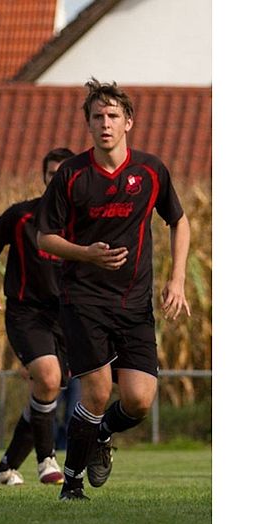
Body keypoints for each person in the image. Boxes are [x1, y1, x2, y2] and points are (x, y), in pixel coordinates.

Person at [35, 78, 190, 501]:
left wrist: (176, 279)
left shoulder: (150, 170)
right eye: (97, 117)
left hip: (135, 304)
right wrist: (86, 254)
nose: (105, 123)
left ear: (129, 123)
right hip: (83, 300)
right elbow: (44, 238)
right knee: (99, 391)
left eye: (112, 116)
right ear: (88, 124)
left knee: (139, 401)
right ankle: (72, 482)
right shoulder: (71, 175)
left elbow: (179, 220)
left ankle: (101, 433)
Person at [0, 147, 75, 486]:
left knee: (47, 391)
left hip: (67, 317)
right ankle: (47, 461)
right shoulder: (22, 216)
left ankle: (6, 467)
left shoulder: (84, 222)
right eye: (51, 174)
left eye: (62, 174)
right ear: (44, 177)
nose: (56, 180)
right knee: (48, 380)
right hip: (26, 312)